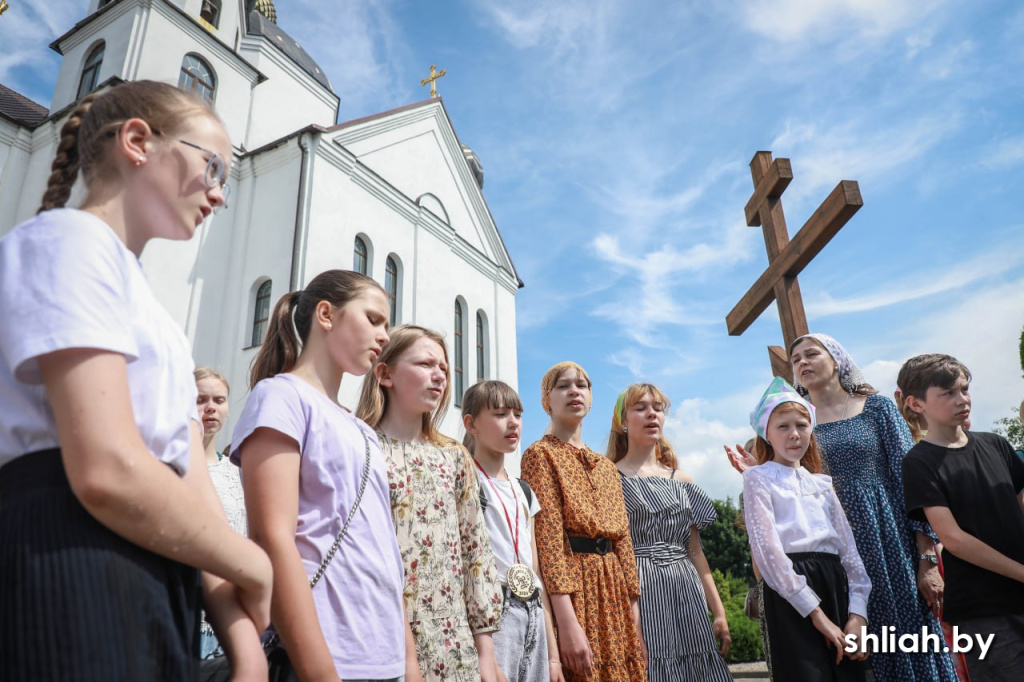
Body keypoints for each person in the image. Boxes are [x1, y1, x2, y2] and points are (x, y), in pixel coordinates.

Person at [0, 80, 271, 680]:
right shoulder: (68, 242)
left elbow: (190, 485)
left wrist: (241, 640)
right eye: (213, 166)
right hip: (71, 553)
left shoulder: (159, 322)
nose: (221, 194)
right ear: (138, 142)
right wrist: (254, 565)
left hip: (158, 568)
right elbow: (108, 469)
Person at [726, 333, 957, 681]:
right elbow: (783, 477)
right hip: (832, 556)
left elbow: (912, 482)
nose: (802, 362)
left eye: (811, 354)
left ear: (837, 359)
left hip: (886, 542)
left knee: (903, 638)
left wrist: (926, 559)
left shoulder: (876, 408)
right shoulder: (797, 418)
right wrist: (755, 470)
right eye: (796, 359)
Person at [232, 269, 407, 682]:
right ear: (326, 314)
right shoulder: (281, 396)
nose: (384, 336)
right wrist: (317, 669)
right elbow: (272, 536)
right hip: (325, 654)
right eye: (374, 319)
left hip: (385, 656)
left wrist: (408, 661)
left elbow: (385, 551)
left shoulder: (364, 430)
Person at [357, 325, 504, 682]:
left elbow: (476, 551)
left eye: (443, 366)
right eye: (425, 363)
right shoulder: (361, 446)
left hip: (452, 643)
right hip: (379, 638)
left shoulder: (453, 455)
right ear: (385, 373)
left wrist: (486, 654)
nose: (439, 375)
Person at [899, 354, 1024, 680]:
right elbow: (953, 539)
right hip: (983, 608)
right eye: (948, 393)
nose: (962, 400)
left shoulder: (996, 444)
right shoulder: (919, 462)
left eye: (964, 389)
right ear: (916, 403)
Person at [521, 362, 647, 682]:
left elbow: (623, 541)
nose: (574, 391)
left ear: (591, 399)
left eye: (582, 385)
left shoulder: (605, 466)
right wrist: (566, 624)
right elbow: (548, 541)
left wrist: (634, 615)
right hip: (575, 590)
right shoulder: (540, 455)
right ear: (546, 400)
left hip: (614, 588)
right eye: (563, 386)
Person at [743, 377, 871, 681]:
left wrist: (858, 614)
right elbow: (768, 553)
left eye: (801, 425)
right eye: (783, 427)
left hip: (834, 585)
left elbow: (849, 553)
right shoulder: (758, 478)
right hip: (791, 593)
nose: (794, 435)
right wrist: (816, 614)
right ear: (766, 434)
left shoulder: (822, 484)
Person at [607, 383, 733, 682]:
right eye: (640, 408)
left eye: (658, 408)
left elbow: (695, 552)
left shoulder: (682, 479)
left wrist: (719, 612)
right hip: (639, 587)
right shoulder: (609, 477)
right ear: (623, 422)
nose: (651, 414)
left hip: (685, 584)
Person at [462, 380, 564, 682]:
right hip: (494, 613)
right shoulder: (467, 484)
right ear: (471, 424)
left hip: (532, 609)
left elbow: (535, 573)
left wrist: (554, 656)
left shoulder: (524, 490)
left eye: (517, 415)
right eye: (499, 414)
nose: (512, 423)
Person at [195, 366, 248, 659]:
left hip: (230, 623)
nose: (211, 408)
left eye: (219, 400)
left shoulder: (236, 474)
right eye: (201, 400)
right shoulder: (168, 469)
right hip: (187, 616)